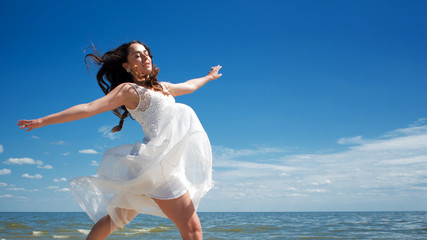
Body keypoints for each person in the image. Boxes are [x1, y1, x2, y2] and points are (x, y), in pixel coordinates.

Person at [17, 40, 222, 240]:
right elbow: (89, 108)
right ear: (126, 65)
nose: (145, 57)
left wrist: (209, 77)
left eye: (146, 53)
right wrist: (44, 120)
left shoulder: (162, 87)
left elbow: (189, 85)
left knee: (114, 220)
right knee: (193, 230)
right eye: (137, 55)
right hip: (157, 167)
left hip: (155, 166)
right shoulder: (129, 90)